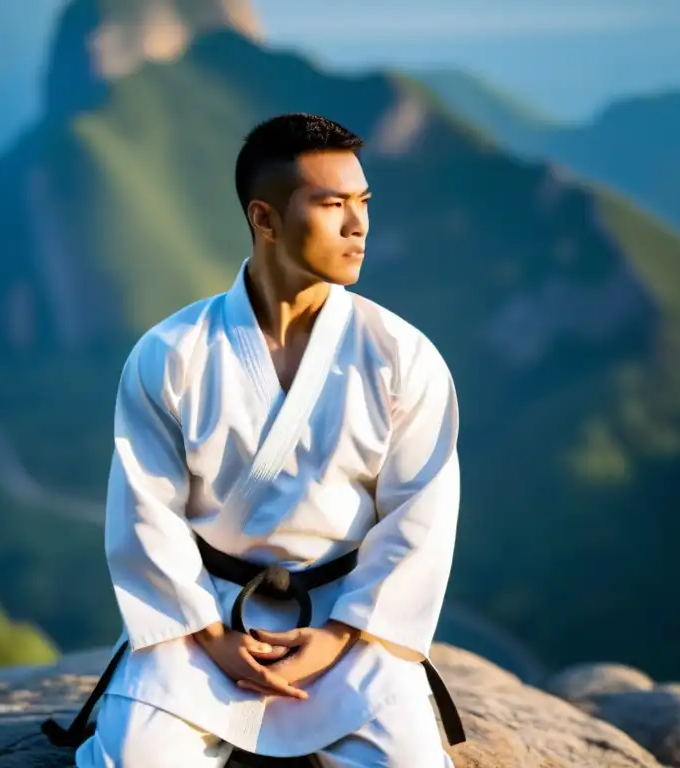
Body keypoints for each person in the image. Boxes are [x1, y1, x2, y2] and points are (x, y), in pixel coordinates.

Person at [77, 113, 462, 767]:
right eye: (332, 204)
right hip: (206, 617)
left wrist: (339, 636)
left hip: (346, 616)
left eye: (363, 203)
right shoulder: (171, 355)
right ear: (266, 219)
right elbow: (146, 514)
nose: (358, 225)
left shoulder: (401, 356)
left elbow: (419, 518)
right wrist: (209, 635)